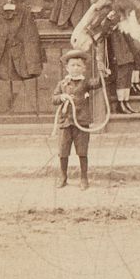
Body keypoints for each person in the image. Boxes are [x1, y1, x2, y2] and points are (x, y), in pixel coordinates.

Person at [52, 49, 100, 189]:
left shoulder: (85, 83)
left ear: (84, 69)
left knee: (82, 151)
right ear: (67, 68)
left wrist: (103, 72)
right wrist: (62, 97)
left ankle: (84, 178)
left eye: (79, 65)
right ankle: (63, 177)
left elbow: (98, 83)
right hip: (65, 122)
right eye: (72, 65)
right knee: (63, 151)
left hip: (81, 122)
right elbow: (54, 99)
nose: (75, 68)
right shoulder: (62, 84)